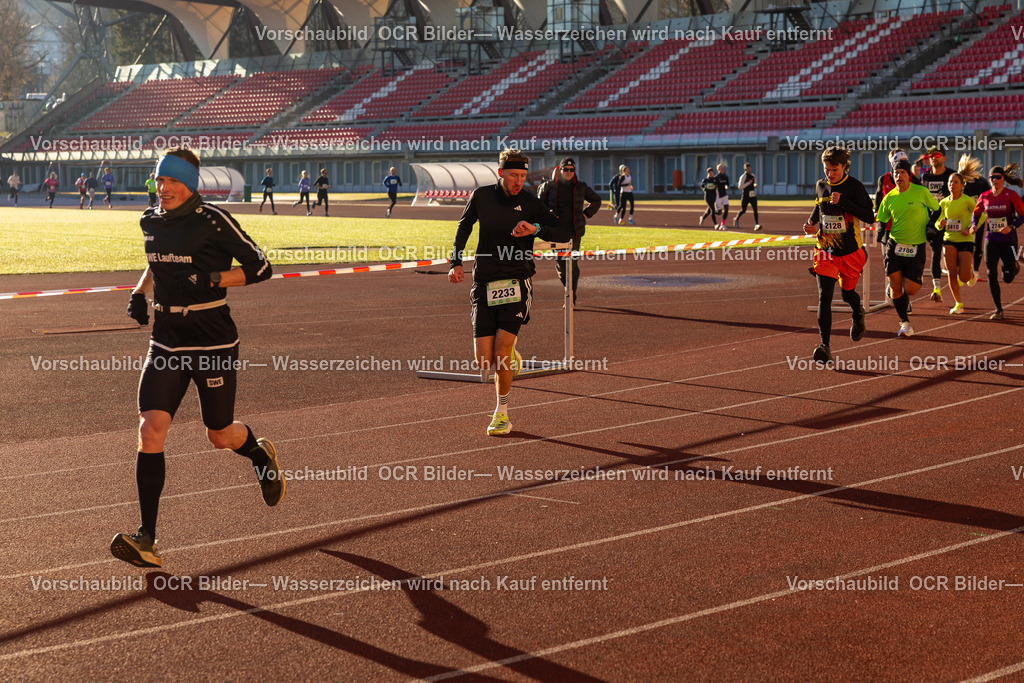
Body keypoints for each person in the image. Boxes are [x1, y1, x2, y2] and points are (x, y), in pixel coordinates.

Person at [112, 147, 281, 569]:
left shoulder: (214, 220)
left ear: (190, 184)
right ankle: (147, 538)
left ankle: (259, 455)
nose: (162, 188)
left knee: (219, 434)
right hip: (166, 339)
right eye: (159, 181)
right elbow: (157, 262)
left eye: (170, 181)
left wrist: (211, 278)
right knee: (151, 428)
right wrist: (139, 293)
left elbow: (261, 268)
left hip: (211, 339)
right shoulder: (149, 219)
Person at [448, 148, 565, 436]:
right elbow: (464, 226)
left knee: (500, 355)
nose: (518, 181)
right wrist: (455, 261)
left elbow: (562, 231)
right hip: (485, 282)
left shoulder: (530, 202)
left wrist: (535, 228)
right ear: (500, 173)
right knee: (484, 362)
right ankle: (511, 354)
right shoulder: (482, 196)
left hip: (516, 281)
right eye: (513, 175)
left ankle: (502, 413)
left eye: (523, 176)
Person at [803, 147, 874, 363]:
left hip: (851, 252)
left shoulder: (855, 187)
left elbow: (870, 217)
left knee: (847, 294)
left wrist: (844, 202)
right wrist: (811, 223)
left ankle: (857, 312)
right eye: (826, 169)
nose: (830, 174)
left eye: (834, 169)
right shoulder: (821, 185)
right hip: (826, 251)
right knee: (825, 296)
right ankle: (825, 346)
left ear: (845, 166)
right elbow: (819, 208)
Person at [876, 159, 941, 337]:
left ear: (909, 175)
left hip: (916, 246)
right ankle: (904, 322)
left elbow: (936, 209)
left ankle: (903, 284)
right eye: (896, 174)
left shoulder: (920, 192)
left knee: (910, 289)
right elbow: (882, 217)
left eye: (902, 173)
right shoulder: (890, 197)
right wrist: (880, 231)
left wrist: (930, 226)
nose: (899, 176)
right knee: (895, 286)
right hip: (894, 245)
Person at [537, 157, 601, 307]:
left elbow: (597, 200)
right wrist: (548, 213)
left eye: (571, 170)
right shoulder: (549, 186)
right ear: (560, 170)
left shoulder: (581, 187)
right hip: (555, 232)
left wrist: (586, 215)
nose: (568, 172)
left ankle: (570, 295)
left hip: (575, 232)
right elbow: (538, 205)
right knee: (561, 266)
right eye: (565, 169)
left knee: (572, 264)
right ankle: (568, 289)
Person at [972, 164, 1024, 320]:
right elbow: (977, 212)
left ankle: (1014, 266)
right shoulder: (985, 196)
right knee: (990, 273)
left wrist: (1012, 226)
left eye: (997, 177)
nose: (994, 180)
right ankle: (998, 309)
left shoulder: (1011, 195)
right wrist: (974, 224)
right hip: (991, 239)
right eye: (992, 177)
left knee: (1007, 277)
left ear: (1003, 179)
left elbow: (1022, 215)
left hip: (1008, 240)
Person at [938, 172, 977, 314]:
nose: (952, 184)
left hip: (965, 240)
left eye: (955, 182)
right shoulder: (943, 202)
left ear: (962, 185)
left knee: (964, 277)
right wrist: (940, 224)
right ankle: (958, 303)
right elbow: (938, 221)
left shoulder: (967, 201)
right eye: (950, 182)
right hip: (949, 239)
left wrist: (971, 228)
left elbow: (980, 215)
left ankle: (970, 273)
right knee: (951, 271)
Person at [921, 146, 953, 302]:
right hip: (932, 222)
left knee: (953, 254)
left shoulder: (951, 175)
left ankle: (967, 271)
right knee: (935, 253)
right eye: (931, 156)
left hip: (950, 221)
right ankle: (937, 288)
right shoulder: (925, 178)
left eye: (937, 155)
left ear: (944, 158)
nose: (934, 158)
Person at [961, 154, 992, 280]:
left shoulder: (982, 182)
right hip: (963, 217)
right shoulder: (960, 182)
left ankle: (977, 271)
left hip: (978, 217)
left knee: (977, 244)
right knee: (963, 242)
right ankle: (964, 268)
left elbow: (989, 195)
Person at [734, 162, 761, 231]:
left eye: (750, 168)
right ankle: (736, 218)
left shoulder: (753, 176)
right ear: (745, 169)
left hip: (752, 196)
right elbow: (740, 187)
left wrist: (755, 185)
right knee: (743, 210)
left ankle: (756, 224)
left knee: (755, 210)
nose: (749, 170)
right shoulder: (743, 177)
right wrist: (748, 183)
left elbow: (754, 183)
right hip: (745, 196)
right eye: (747, 169)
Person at [713, 163, 730, 230]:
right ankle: (711, 210)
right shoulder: (716, 178)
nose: (723, 169)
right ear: (718, 169)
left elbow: (727, 185)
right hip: (718, 196)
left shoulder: (726, 177)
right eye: (721, 168)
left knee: (726, 210)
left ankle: (722, 224)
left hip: (724, 195)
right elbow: (714, 187)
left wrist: (727, 187)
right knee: (719, 212)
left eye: (723, 168)